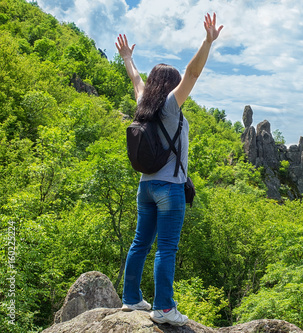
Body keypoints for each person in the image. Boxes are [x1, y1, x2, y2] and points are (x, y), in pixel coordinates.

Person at [115, 13, 223, 326]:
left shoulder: (142, 105)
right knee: (166, 248)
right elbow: (192, 73)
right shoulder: (170, 107)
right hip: (169, 188)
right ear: (171, 86)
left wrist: (127, 58)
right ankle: (163, 307)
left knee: (140, 243)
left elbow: (137, 80)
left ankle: (131, 298)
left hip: (145, 187)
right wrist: (207, 42)